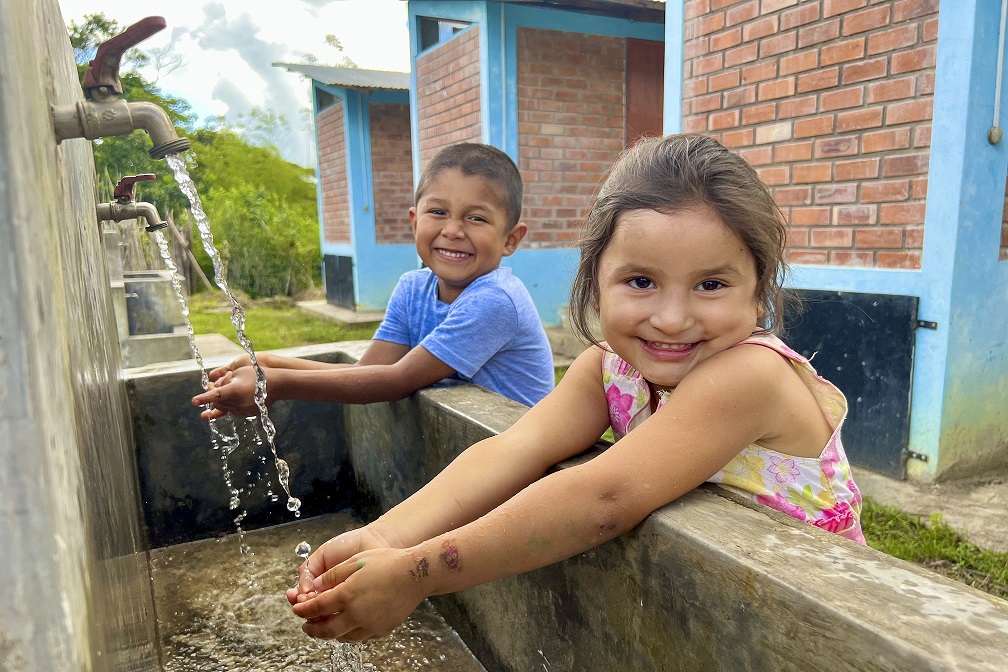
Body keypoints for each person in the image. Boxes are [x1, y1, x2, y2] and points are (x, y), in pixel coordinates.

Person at [285, 133, 866, 641]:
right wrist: (383, 536)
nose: (670, 317)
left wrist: (416, 573)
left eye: (711, 284)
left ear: (759, 294)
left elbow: (603, 500)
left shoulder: (751, 374)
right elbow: (515, 448)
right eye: (640, 280)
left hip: (822, 630)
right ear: (595, 282)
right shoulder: (607, 367)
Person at [191, 143, 554, 415]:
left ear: (510, 239)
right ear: (415, 221)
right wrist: (267, 363)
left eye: (476, 218)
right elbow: (368, 372)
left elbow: (396, 381)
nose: (453, 230)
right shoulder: (413, 289)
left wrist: (275, 383)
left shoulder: (495, 300)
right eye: (438, 212)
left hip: (524, 459)